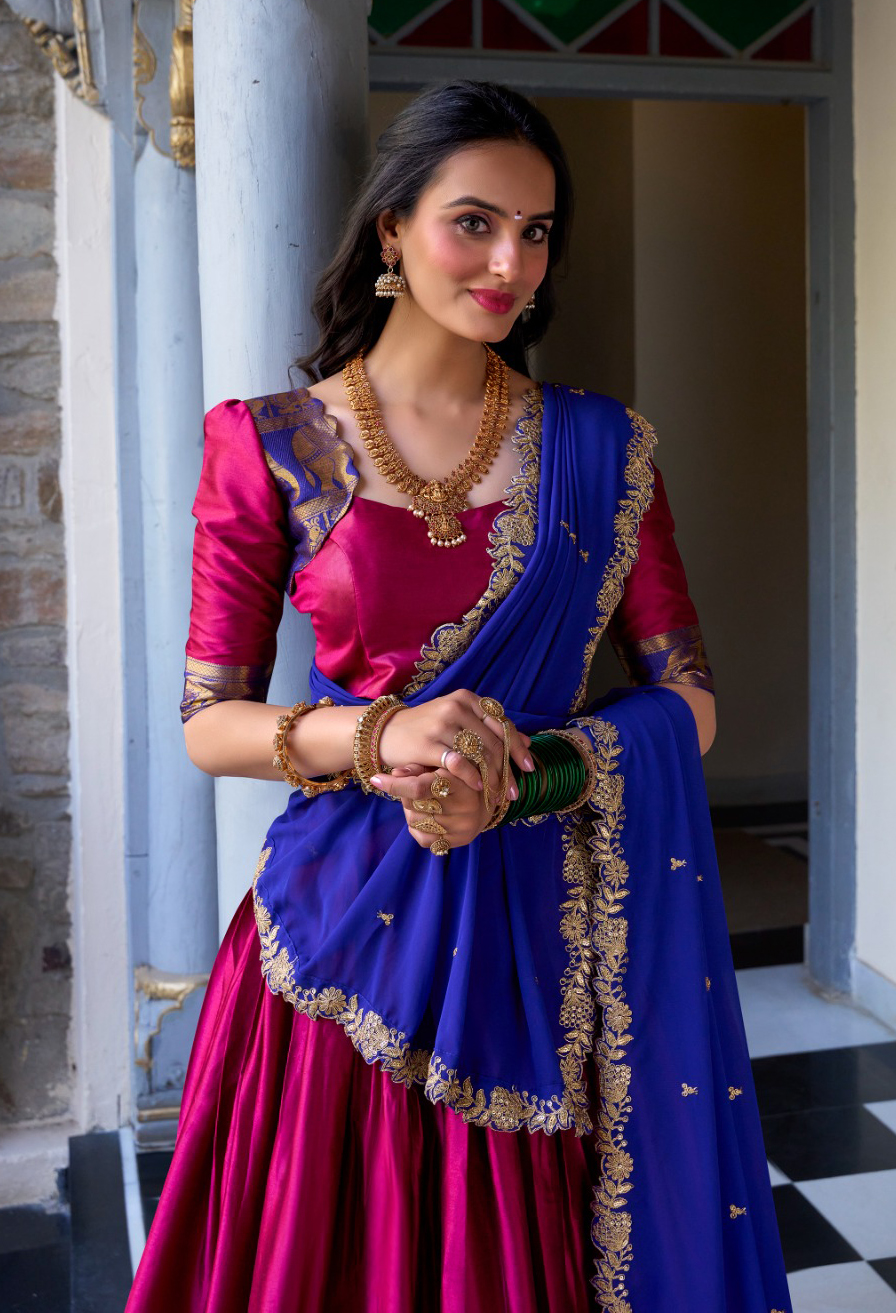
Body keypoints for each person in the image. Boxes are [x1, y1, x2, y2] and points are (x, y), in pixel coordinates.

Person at [126, 80, 791, 1313]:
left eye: (536, 232)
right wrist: (381, 731)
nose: (508, 262)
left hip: (544, 931)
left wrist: (528, 775)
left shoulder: (602, 447)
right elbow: (208, 723)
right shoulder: (272, 444)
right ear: (391, 230)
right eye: (472, 222)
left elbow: (686, 698)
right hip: (337, 932)